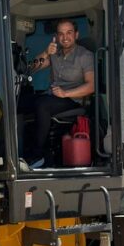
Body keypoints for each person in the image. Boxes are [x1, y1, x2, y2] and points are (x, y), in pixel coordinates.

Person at [24, 18, 94, 169]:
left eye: (69, 33)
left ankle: (37, 156)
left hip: (73, 99)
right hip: (53, 96)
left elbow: (91, 86)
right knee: (19, 102)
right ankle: (15, 153)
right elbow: (32, 68)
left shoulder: (85, 55)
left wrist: (65, 93)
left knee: (42, 105)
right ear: (57, 36)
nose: (65, 37)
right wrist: (46, 53)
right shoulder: (55, 54)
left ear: (76, 35)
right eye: (61, 34)